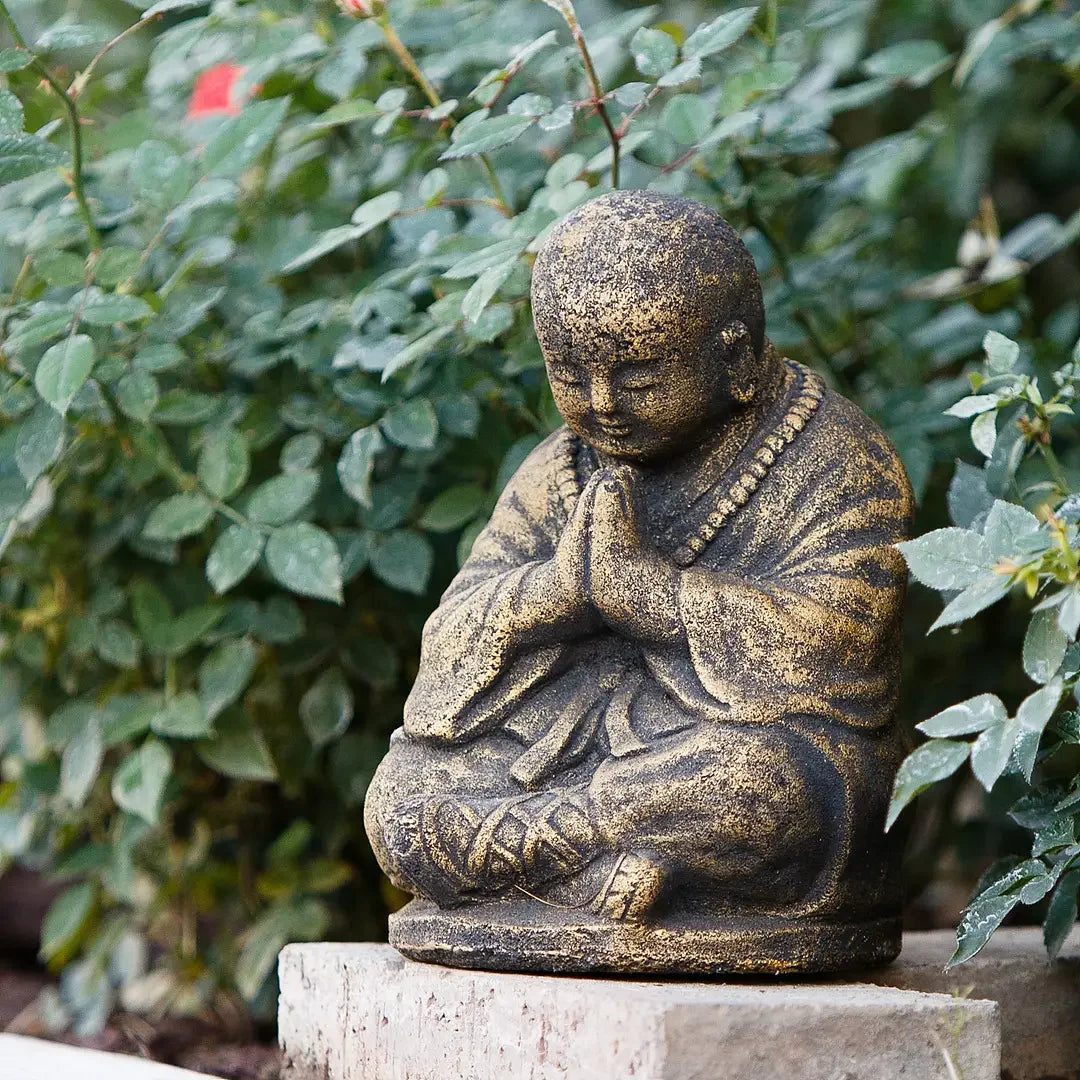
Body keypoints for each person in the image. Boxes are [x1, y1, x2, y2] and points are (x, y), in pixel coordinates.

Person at [364, 190, 913, 971]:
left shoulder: (835, 457)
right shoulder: (559, 467)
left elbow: (843, 647)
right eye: (570, 374)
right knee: (399, 799)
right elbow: (453, 636)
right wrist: (553, 594)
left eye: (641, 376)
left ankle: (561, 847)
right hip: (563, 744)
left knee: (765, 791)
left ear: (735, 356)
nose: (601, 404)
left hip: (731, 755)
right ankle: (597, 863)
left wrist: (654, 598)